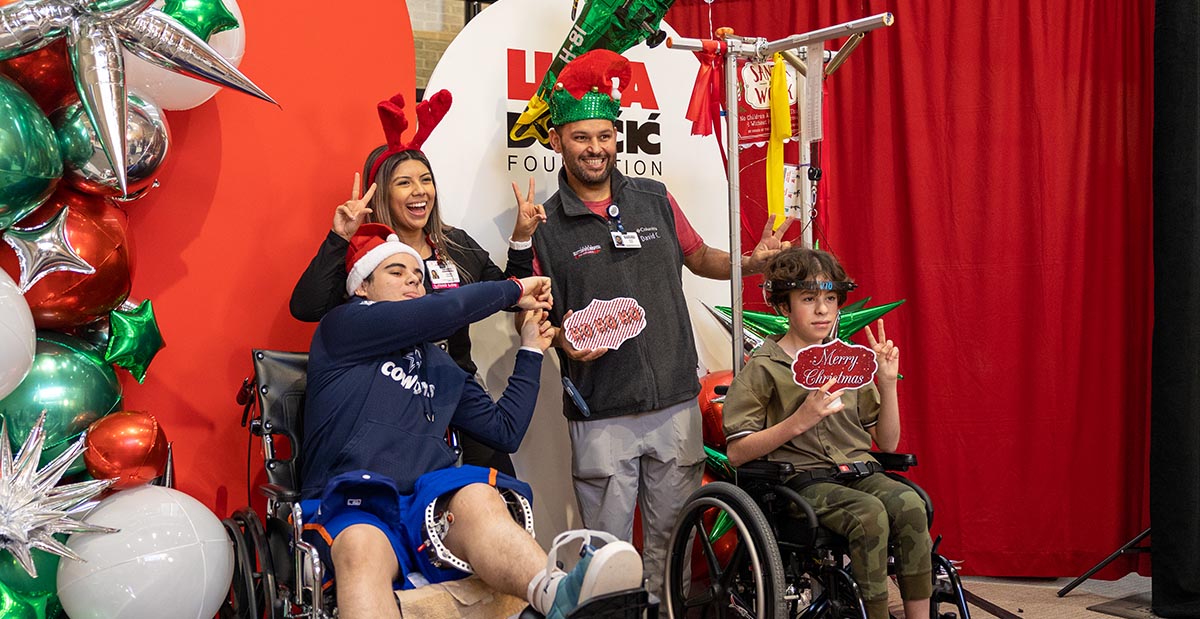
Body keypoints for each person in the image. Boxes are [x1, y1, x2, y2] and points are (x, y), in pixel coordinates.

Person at [524, 49, 794, 595]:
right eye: (581, 137)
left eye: (604, 135)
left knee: (674, 546)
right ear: (557, 141)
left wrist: (748, 261)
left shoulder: (654, 198)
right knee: (608, 555)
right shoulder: (544, 226)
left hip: (674, 401)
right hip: (601, 413)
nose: (596, 148)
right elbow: (535, 314)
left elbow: (698, 257)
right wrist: (567, 347)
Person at [300, 223, 643, 619]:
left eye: (418, 276)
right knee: (361, 544)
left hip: (426, 503)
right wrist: (513, 290)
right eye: (396, 273)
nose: (413, 282)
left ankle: (559, 596)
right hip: (355, 500)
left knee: (479, 494)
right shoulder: (343, 327)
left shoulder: (441, 364)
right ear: (362, 287)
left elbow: (504, 430)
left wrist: (530, 350)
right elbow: (442, 310)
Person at [291, 89, 545, 478]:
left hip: (451, 382)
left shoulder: (455, 243)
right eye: (405, 183)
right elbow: (305, 308)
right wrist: (338, 238)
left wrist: (522, 240)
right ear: (382, 193)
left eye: (425, 180)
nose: (420, 191)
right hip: (390, 389)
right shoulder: (366, 256)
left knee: (498, 483)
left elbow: (512, 293)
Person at [721, 247, 932, 619]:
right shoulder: (763, 368)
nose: (822, 309)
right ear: (784, 307)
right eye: (808, 299)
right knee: (869, 514)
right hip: (800, 482)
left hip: (858, 471)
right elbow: (737, 453)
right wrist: (798, 421)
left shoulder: (848, 362)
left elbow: (888, 443)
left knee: (910, 504)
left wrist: (886, 385)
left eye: (830, 299)